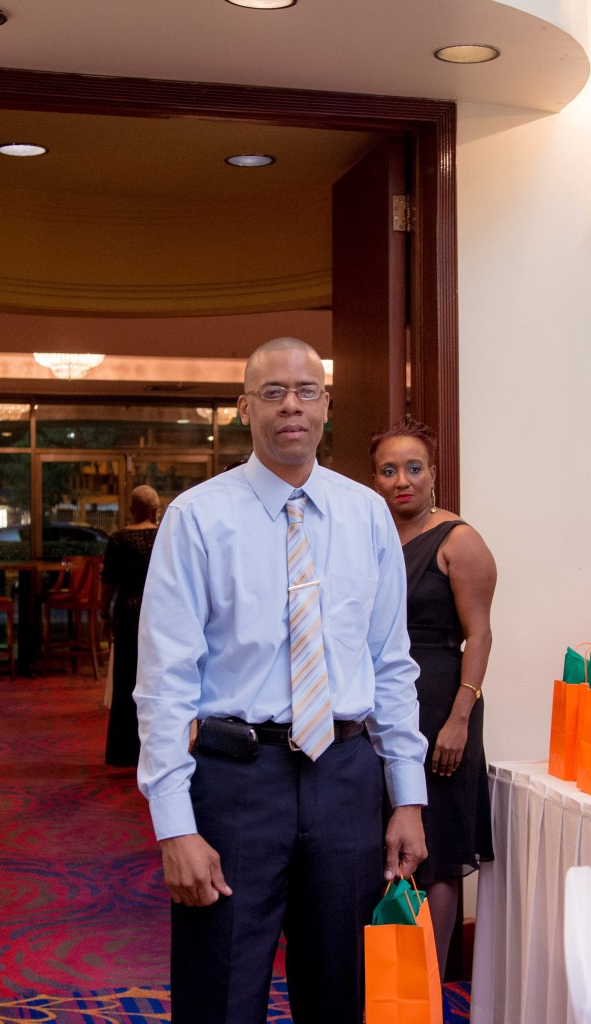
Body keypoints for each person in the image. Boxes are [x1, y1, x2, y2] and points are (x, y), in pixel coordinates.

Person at [134, 337, 428, 1024]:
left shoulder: (366, 515)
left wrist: (407, 796)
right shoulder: (196, 518)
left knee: (344, 992)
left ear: (326, 405)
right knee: (220, 991)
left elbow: (391, 663)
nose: (290, 405)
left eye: (305, 391)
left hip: (347, 779)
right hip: (236, 783)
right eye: (272, 392)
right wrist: (173, 825)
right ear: (245, 408)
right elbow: (164, 683)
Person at [370, 418, 497, 978]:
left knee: (438, 848)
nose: (402, 480)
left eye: (413, 468)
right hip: (383, 704)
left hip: (443, 704)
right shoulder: (372, 535)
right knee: (389, 839)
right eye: (388, 470)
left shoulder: (458, 540)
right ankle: (387, 980)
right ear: (375, 479)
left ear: (434, 475)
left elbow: (481, 634)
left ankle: (427, 983)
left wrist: (459, 719)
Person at [100, 485, 160, 767]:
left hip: (128, 612)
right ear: (154, 510)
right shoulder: (163, 535)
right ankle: (155, 748)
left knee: (126, 681)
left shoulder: (119, 539)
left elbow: (109, 583)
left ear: (133, 508)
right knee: (156, 683)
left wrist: (103, 614)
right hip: (159, 614)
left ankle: (123, 751)